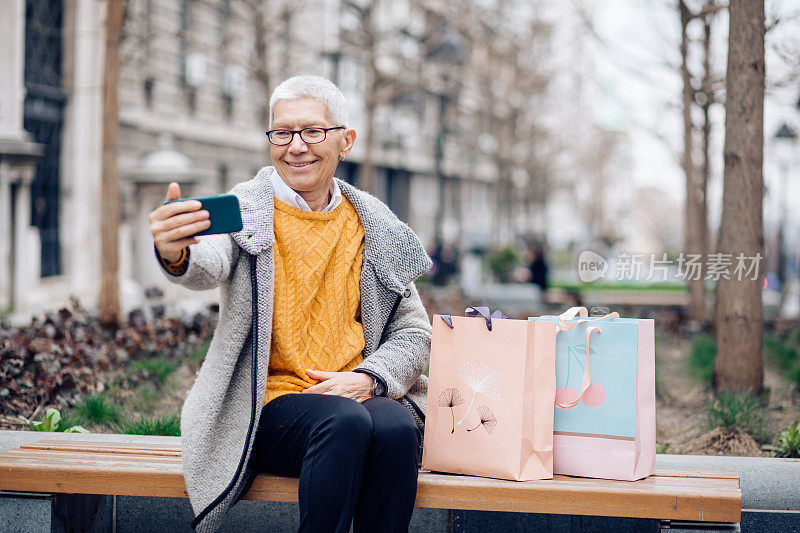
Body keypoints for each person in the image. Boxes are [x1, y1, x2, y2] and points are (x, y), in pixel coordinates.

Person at [148, 75, 432, 533]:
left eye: (313, 131)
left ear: (345, 141)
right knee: (343, 423)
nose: (296, 146)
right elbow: (209, 260)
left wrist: (369, 378)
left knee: (397, 427)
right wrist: (175, 251)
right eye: (283, 133)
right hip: (268, 406)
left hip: (352, 392)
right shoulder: (247, 209)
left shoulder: (376, 225)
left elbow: (414, 331)